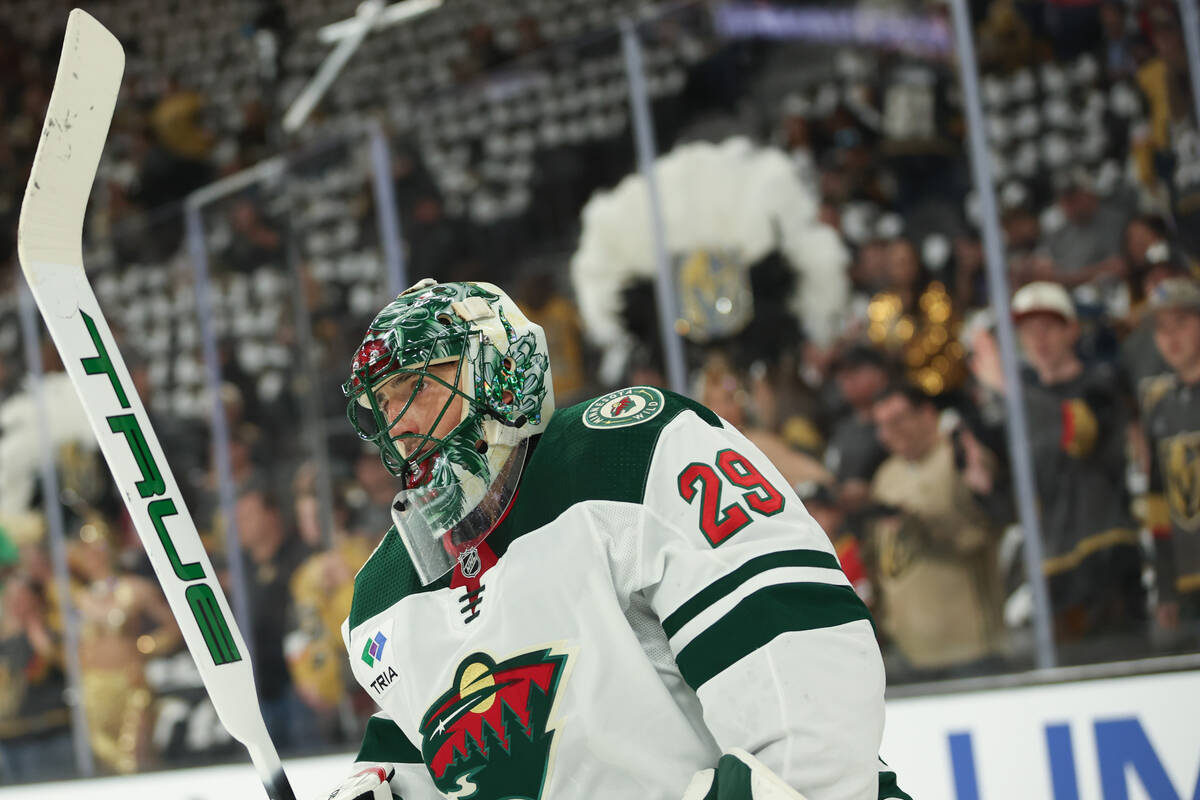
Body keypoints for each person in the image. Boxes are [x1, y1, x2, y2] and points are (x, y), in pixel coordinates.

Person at [325, 279, 906, 800]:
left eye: (418, 385)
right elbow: (432, 745)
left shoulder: (633, 455)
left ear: (497, 371)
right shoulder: (383, 596)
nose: (397, 423)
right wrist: (385, 786)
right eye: (384, 402)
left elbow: (807, 707)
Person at [1009, 282, 1146, 655]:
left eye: (1048, 327)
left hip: (1107, 556)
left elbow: (1081, 435)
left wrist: (1009, 389)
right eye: (1028, 330)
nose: (1038, 339)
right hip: (1053, 569)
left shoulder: (1101, 383)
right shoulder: (1021, 407)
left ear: (1072, 330)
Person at [868, 383, 1008, 678]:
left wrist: (919, 524)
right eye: (881, 425)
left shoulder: (958, 457)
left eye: (898, 420)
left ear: (928, 414)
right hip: (909, 650)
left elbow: (981, 527)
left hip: (970, 647)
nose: (890, 432)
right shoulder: (886, 476)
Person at [1140, 278, 1200, 646]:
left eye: (1180, 323)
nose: (1170, 337)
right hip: (1188, 580)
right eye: (1161, 329)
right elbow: (1158, 503)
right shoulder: (1159, 406)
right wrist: (1165, 585)